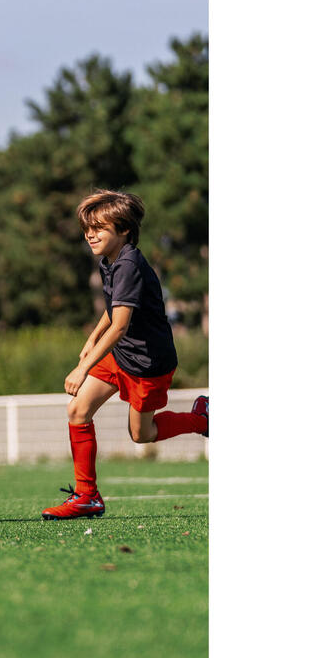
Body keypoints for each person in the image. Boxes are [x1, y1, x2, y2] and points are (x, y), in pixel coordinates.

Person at [42, 190, 208, 520]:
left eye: (99, 228)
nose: (90, 234)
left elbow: (119, 325)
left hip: (148, 364)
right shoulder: (110, 260)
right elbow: (113, 307)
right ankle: (87, 496)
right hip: (120, 355)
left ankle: (202, 419)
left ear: (124, 230)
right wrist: (92, 339)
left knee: (141, 434)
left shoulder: (129, 264)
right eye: (87, 227)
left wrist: (82, 367)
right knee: (77, 411)